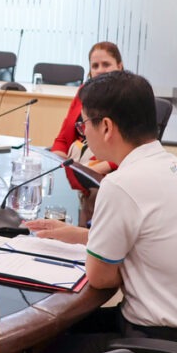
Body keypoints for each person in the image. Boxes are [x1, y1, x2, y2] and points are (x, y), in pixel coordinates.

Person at [27, 70, 177, 353]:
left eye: (84, 124)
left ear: (106, 127)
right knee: (59, 331)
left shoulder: (121, 184)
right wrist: (78, 235)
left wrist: (96, 249)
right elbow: (153, 241)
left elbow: (101, 277)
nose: (83, 133)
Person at [49, 41, 124, 223]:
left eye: (106, 64)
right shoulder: (84, 91)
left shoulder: (126, 96)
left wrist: (92, 171)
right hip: (79, 167)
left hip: (107, 172)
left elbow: (131, 148)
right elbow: (62, 139)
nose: (100, 70)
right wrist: (56, 166)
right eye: (95, 66)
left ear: (119, 66)